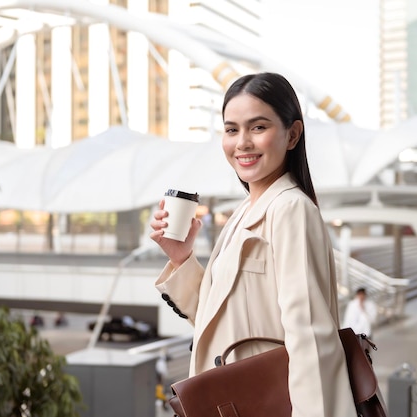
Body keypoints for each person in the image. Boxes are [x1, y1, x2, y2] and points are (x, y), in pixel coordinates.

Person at [150, 72, 355, 417]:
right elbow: (222, 320)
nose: (242, 142)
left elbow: (311, 340)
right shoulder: (245, 212)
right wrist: (182, 258)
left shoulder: (290, 209)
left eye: (258, 128)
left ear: (292, 135)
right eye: (232, 130)